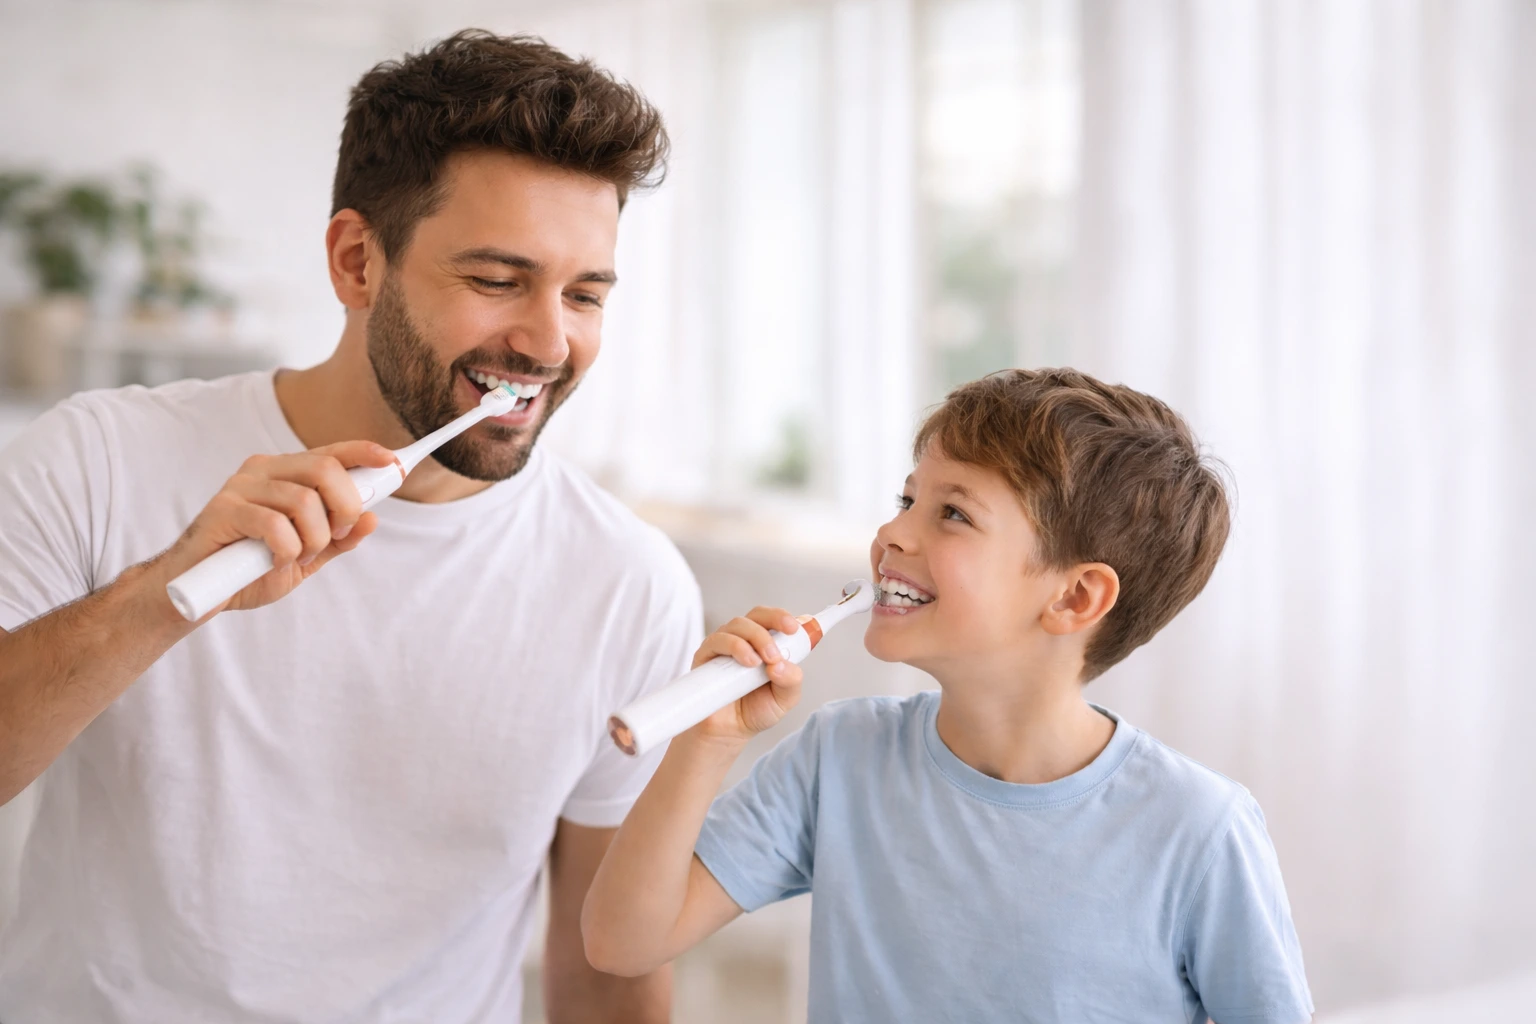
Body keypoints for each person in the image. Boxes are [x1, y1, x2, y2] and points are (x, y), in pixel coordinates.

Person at [0, 30, 697, 1023]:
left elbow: (602, 958)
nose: (549, 342)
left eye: (584, 294)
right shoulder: (101, 460)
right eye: (498, 280)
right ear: (357, 260)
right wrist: (158, 599)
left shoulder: (629, 585)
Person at [583, 368, 1314, 1023]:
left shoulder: (1198, 831)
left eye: (952, 513)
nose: (892, 532)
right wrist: (705, 740)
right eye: (907, 498)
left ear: (1076, 596)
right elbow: (621, 943)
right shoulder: (839, 760)